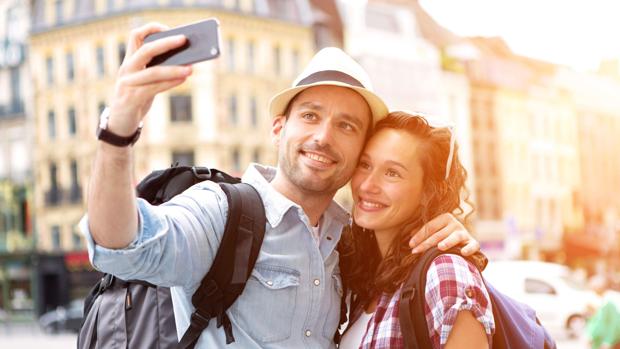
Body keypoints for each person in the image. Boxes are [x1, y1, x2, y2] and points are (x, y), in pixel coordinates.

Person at [81, 23, 481, 348]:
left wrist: (451, 235)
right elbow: (122, 247)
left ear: (359, 147)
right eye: (310, 115)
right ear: (278, 127)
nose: (323, 136)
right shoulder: (222, 211)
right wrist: (119, 128)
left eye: (346, 125)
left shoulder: (347, 243)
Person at [339, 111, 494, 349]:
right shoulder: (367, 276)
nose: (367, 185)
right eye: (365, 164)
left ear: (427, 192)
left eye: (392, 173)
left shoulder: (444, 272)